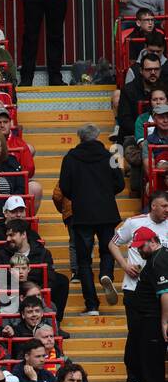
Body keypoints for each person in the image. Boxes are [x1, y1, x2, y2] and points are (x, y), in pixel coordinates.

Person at [59, 125, 125, 316]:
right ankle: (106, 274)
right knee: (107, 250)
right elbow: (120, 183)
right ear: (97, 137)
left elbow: (64, 186)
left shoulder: (70, 157)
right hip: (107, 212)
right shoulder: (110, 155)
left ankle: (92, 305)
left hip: (82, 214)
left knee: (84, 261)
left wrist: (79, 197)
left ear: (80, 138)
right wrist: (105, 194)